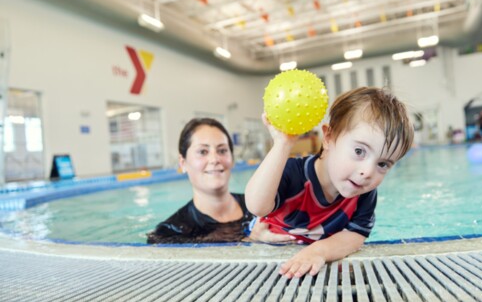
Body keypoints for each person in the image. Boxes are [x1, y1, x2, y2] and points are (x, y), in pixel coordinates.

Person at [245, 87, 414, 278]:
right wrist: (283, 144)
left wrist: (319, 251)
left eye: (382, 164)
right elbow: (256, 206)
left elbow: (355, 236)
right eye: (359, 151)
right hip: (264, 248)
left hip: (305, 260)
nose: (367, 172)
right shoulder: (293, 173)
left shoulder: (364, 193)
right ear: (328, 137)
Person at [147, 118, 294, 244]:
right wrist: (251, 241)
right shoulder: (170, 232)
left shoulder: (265, 208)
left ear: (232, 158)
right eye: (203, 152)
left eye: (222, 150)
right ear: (183, 162)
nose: (215, 159)